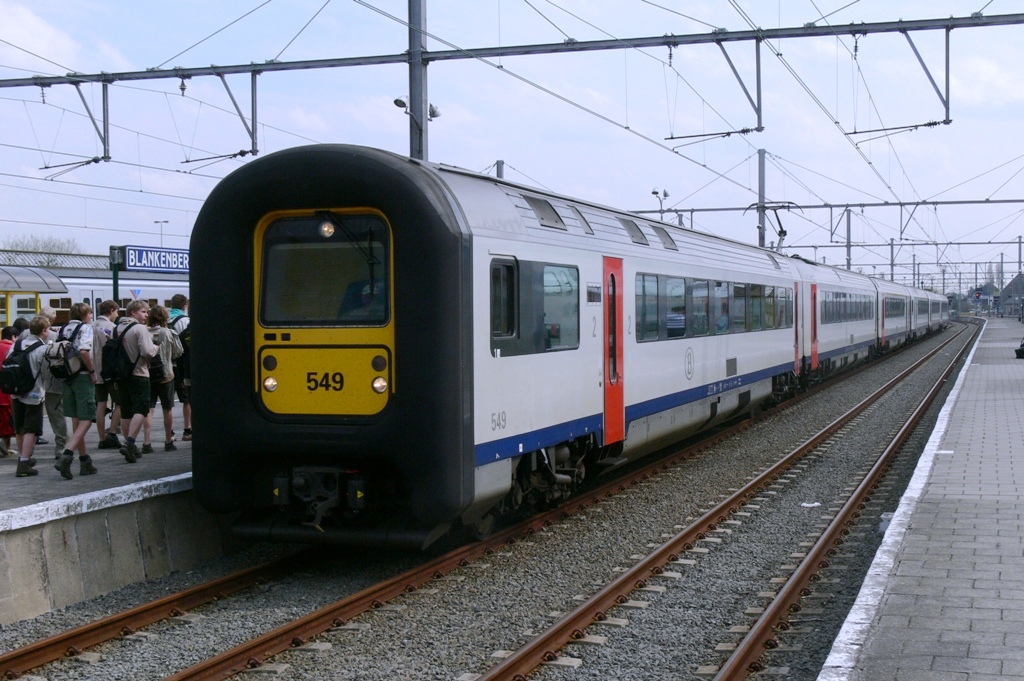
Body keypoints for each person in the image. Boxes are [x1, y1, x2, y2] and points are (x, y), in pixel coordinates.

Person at [54, 303, 99, 479]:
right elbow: (84, 350)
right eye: (89, 313)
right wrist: (92, 371)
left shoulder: (63, 328)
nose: (91, 316)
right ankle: (68, 454)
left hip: (67, 377)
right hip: (81, 376)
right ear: (85, 315)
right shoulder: (85, 328)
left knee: (76, 419)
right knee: (87, 418)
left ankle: (84, 460)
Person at [18, 307, 68, 457]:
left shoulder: (23, 336)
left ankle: (25, 454)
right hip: (49, 383)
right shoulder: (55, 335)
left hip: (25, 385)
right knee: (56, 416)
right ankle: (61, 448)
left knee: (25, 421)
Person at [116, 300, 158, 463]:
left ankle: (130, 447)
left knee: (126, 410)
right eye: (143, 312)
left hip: (122, 375)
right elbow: (147, 352)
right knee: (141, 408)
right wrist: (156, 347)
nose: (146, 315)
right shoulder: (139, 329)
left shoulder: (116, 328)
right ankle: (130, 442)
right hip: (139, 373)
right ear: (133, 312)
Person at [12, 315, 50, 477]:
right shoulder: (42, 348)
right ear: (43, 331)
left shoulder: (17, 344)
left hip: (15, 391)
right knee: (31, 429)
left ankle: (22, 457)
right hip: (34, 392)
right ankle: (24, 463)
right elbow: (46, 373)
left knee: (19, 427)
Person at [143, 305, 182, 452]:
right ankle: (168, 440)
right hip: (166, 375)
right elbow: (178, 352)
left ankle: (147, 442)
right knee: (167, 408)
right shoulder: (168, 333)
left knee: (148, 408)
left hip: (147, 374)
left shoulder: (143, 332)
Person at [92, 300, 122, 450]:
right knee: (119, 401)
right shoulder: (111, 327)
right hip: (109, 371)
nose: (117, 314)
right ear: (112, 310)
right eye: (117, 311)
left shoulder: (90, 326)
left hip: (95, 372)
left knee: (101, 404)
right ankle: (112, 433)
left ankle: (101, 438)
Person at [168, 294, 192, 441]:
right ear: (184, 306)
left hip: (167, 365)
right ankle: (187, 429)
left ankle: (168, 431)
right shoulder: (185, 321)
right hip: (180, 364)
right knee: (186, 399)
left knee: (167, 401)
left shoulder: (165, 319)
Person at [0, 326, 17, 457]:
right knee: (7, 423)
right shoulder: (12, 350)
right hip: (6, 393)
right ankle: (8, 447)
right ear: (13, 337)